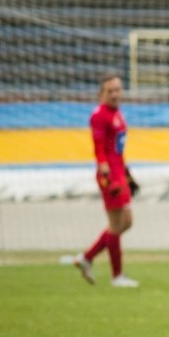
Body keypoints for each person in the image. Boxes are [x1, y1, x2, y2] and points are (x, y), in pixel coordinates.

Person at [73, 73, 139, 288]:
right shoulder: (99, 115)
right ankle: (117, 276)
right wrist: (106, 172)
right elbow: (99, 148)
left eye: (117, 90)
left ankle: (87, 257)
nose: (115, 94)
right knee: (116, 224)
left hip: (120, 171)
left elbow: (118, 148)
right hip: (109, 175)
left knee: (125, 222)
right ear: (101, 93)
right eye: (110, 91)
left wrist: (126, 173)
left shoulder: (116, 113)